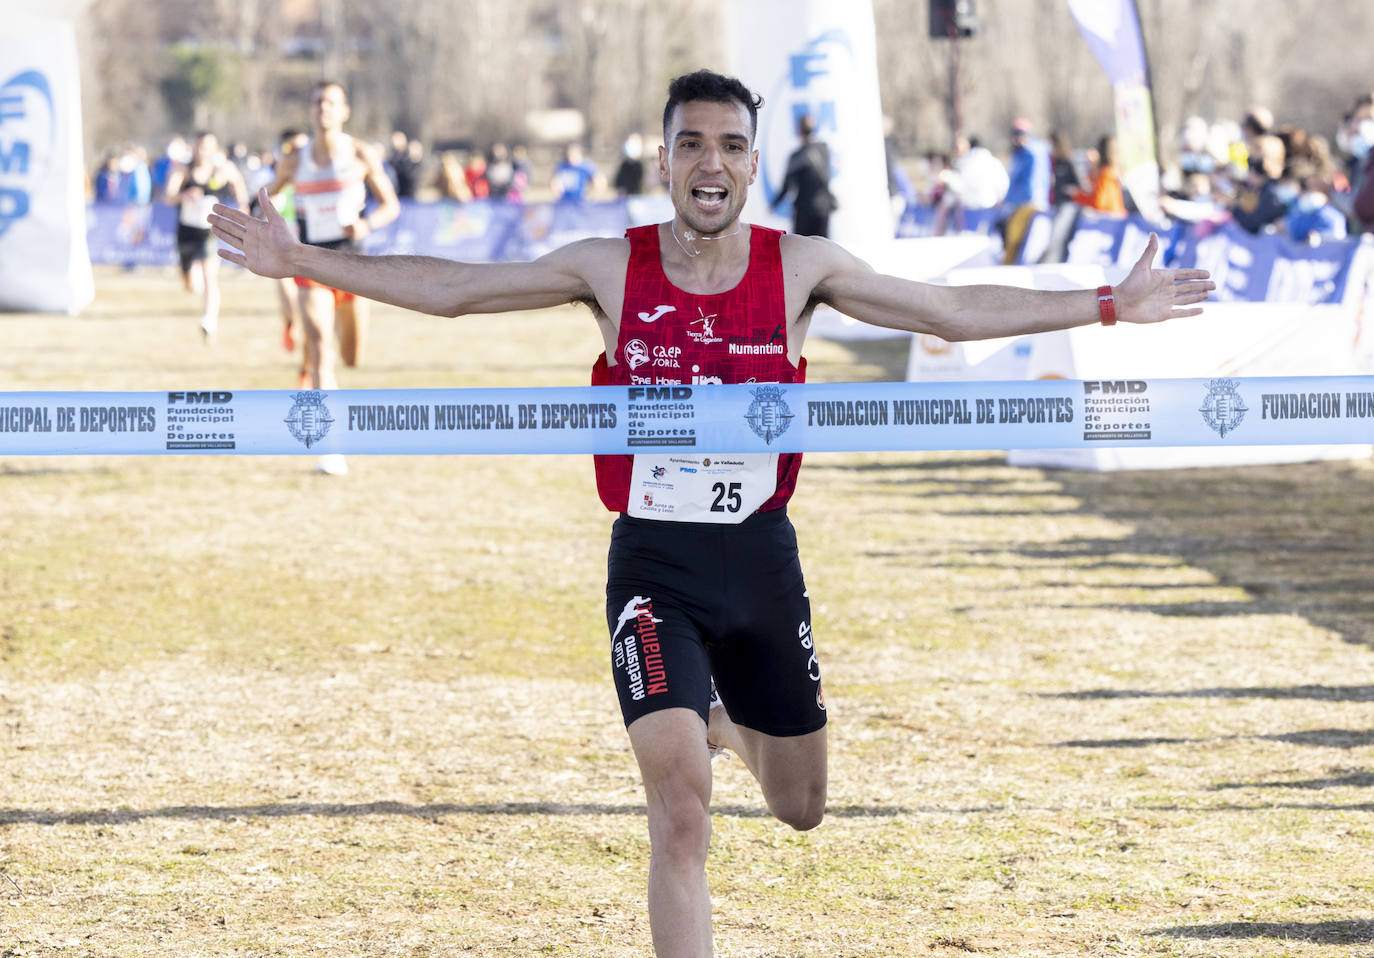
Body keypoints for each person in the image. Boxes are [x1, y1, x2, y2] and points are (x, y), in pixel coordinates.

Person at [211, 69, 1212, 956]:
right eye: (692, 141)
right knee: (679, 811)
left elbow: (947, 309)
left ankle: (730, 723)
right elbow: (462, 291)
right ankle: (700, 735)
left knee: (803, 806)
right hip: (654, 567)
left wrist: (1109, 305)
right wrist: (304, 260)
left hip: (760, 562)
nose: (711, 162)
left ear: (753, 164)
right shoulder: (612, 265)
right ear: (665, 157)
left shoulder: (801, 268)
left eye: (732, 145)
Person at [257, 79, 400, 475]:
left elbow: (391, 205)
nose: (323, 108)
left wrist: (365, 224)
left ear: (344, 111)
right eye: (317, 102)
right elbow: (264, 200)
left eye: (331, 102)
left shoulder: (360, 153)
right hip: (312, 264)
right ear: (310, 109)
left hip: (354, 265)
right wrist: (274, 230)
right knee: (320, 347)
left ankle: (323, 376)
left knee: (352, 356)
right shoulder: (294, 159)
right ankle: (331, 447)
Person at [163, 131, 248, 342]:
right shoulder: (183, 170)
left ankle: (209, 320)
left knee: (211, 276)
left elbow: (239, 185)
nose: (203, 151)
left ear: (215, 149)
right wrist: (183, 195)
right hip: (186, 231)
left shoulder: (223, 169)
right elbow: (167, 197)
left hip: (209, 231)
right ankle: (192, 283)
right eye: (200, 146)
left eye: (208, 147)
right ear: (194, 147)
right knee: (192, 284)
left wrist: (243, 207)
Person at [769, 113, 835, 237]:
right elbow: (825, 178)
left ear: (799, 130)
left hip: (804, 212)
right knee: (824, 250)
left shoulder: (796, 157)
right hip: (823, 209)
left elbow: (787, 187)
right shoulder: (823, 149)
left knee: (803, 251)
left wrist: (774, 204)